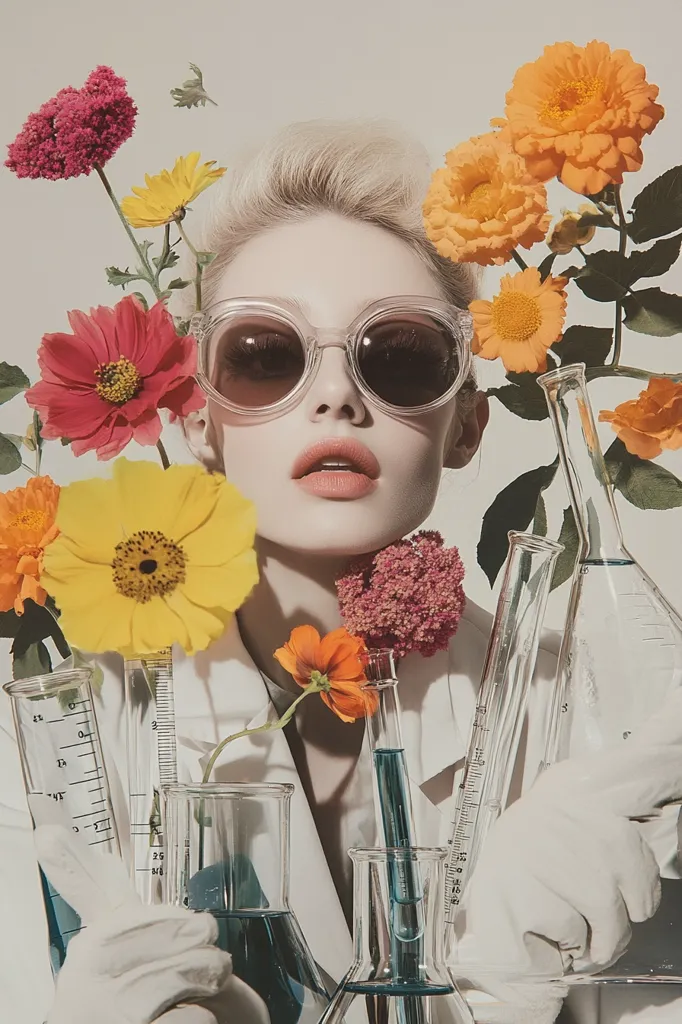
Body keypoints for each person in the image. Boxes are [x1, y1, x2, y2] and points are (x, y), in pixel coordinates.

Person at [1, 120, 681, 1024]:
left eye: (398, 356)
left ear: (468, 424)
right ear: (198, 420)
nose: (335, 396)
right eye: (264, 356)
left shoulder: (571, 710)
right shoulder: (64, 719)